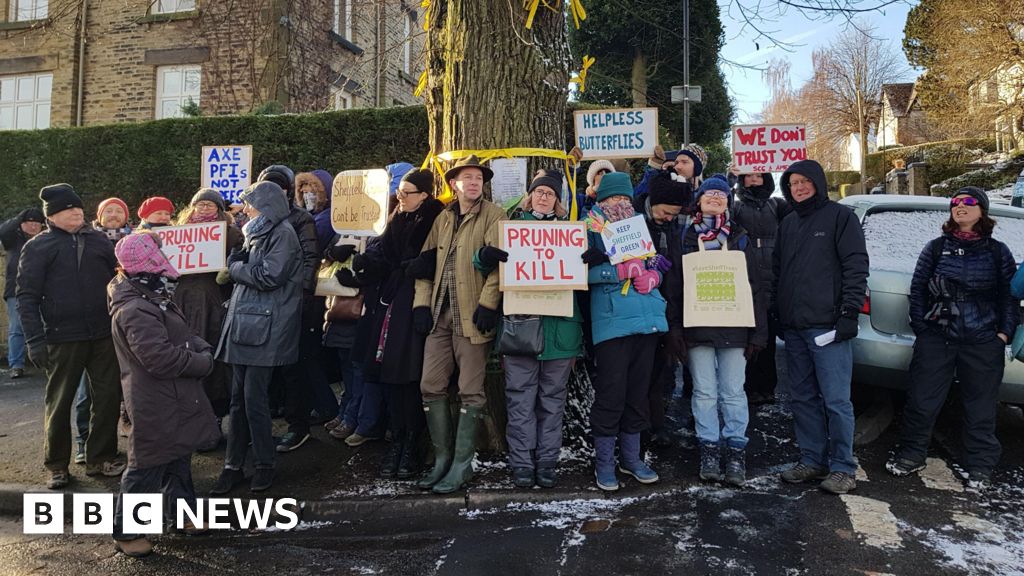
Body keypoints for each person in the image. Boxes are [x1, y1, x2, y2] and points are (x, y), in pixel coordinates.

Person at [886, 187, 1019, 489]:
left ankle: (980, 465)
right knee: (922, 401)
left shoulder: (998, 251)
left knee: (981, 407)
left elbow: (1008, 297)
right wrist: (923, 328)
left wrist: (1003, 335)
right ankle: (911, 453)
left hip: (983, 340)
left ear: (982, 211)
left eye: (969, 202)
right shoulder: (935, 248)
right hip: (938, 337)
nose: (960, 206)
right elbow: (918, 289)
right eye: (956, 202)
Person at [108, 232, 219, 558]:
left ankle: (183, 515)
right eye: (158, 252)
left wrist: (200, 347)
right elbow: (159, 358)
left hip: (170, 395)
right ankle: (127, 531)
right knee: (147, 464)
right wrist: (202, 362)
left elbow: (178, 335)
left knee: (178, 454)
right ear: (148, 260)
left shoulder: (151, 294)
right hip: (154, 398)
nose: (165, 257)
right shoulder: (136, 307)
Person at [477, 169, 584, 489]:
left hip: (560, 333)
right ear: (530, 195)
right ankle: (522, 462)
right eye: (539, 192)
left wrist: (588, 259)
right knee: (520, 400)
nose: (544, 197)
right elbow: (481, 263)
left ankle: (547, 461)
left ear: (558, 200)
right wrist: (485, 256)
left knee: (552, 401)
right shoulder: (511, 228)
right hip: (521, 329)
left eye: (550, 193)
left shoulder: (570, 233)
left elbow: (587, 273)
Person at [337, 168, 444, 478]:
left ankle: (411, 442)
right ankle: (397, 439)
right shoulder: (398, 219)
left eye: (407, 192)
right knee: (388, 374)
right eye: (400, 192)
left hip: (415, 303)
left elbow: (440, 257)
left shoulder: (435, 218)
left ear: (424, 195)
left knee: (408, 376)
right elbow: (384, 256)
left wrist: (422, 266)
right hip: (389, 302)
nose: (401, 197)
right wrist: (363, 267)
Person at [17, 184, 124, 488]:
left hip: (103, 333)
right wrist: (34, 340)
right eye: (68, 209)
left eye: (77, 207)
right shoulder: (38, 246)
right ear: (52, 216)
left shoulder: (100, 241)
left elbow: (119, 279)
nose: (76, 212)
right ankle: (56, 465)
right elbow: (26, 297)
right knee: (59, 402)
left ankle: (100, 458)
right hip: (61, 337)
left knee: (107, 398)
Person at [773, 159, 869, 495]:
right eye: (793, 183)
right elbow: (778, 271)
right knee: (802, 398)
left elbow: (856, 266)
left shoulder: (840, 217)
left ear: (818, 183)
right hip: (795, 328)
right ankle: (812, 459)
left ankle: (843, 467)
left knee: (836, 400)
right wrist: (777, 311)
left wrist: (849, 313)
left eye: (804, 181)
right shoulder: (788, 223)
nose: (799, 188)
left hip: (828, 327)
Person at [412, 155, 506, 494]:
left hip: (472, 315)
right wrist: (421, 304)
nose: (474, 182)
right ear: (454, 184)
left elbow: (500, 265)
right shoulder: (444, 217)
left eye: (478, 178)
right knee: (430, 384)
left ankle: (462, 464)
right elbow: (425, 265)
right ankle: (442, 458)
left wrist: (488, 303)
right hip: (440, 314)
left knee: (470, 389)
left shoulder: (495, 215)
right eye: (467, 177)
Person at [210, 181, 303, 494]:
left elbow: (269, 276)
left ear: (265, 205)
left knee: (253, 400)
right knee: (239, 400)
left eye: (250, 203)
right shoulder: (257, 231)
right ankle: (233, 465)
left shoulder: (282, 233)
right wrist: (240, 261)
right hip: (249, 324)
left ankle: (264, 463)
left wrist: (235, 267)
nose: (245, 209)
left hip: (266, 326)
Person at [582, 171, 667, 491]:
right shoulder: (589, 227)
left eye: (624, 197)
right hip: (613, 322)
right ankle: (604, 462)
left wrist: (655, 276)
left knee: (638, 394)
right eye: (613, 197)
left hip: (646, 320)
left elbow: (657, 261)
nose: (619, 203)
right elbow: (577, 271)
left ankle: (631, 458)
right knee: (611, 394)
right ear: (601, 198)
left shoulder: (638, 225)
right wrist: (613, 271)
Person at [681, 175, 768, 487]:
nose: (715, 198)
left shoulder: (740, 237)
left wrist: (758, 332)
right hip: (698, 326)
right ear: (699, 200)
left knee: (733, 392)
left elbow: (755, 286)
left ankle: (735, 451)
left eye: (721, 195)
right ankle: (708, 448)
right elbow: (677, 286)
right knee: (704, 392)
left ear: (728, 202)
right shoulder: (686, 237)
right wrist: (676, 330)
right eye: (710, 194)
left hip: (734, 326)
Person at [257, 165, 333, 450]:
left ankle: (297, 426)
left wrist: (298, 298)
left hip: (290, 303)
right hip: (261, 303)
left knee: (294, 367)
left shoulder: (301, 219)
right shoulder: (256, 220)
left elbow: (309, 260)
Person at [172, 189, 244, 434]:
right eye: (200, 204)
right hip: (182, 299)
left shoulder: (231, 233)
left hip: (213, 300)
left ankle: (214, 413)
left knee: (212, 353)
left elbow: (237, 261)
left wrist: (227, 271)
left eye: (209, 205)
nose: (204, 208)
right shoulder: (178, 233)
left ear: (219, 209)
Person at [634, 171, 690, 448]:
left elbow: (677, 275)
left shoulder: (673, 228)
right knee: (640, 375)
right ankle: (639, 428)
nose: (669, 218)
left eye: (674, 214)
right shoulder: (634, 223)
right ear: (653, 203)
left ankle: (657, 424)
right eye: (666, 212)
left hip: (667, 308)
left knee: (661, 374)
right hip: (639, 308)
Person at [731, 170, 789, 405]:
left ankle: (767, 387)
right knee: (747, 338)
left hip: (773, 279)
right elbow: (720, 210)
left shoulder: (777, 205)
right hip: (745, 279)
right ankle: (748, 387)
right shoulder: (736, 207)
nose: (754, 179)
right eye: (749, 176)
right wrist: (729, 179)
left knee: (768, 338)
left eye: (759, 175)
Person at [2, 208, 45, 380]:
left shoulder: (46, 239)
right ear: (21, 224)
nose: (33, 226)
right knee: (16, 328)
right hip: (15, 289)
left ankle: (47, 362)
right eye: (29, 222)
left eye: (37, 223)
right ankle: (16, 365)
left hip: (43, 290)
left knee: (47, 325)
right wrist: (19, 217)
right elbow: (3, 231)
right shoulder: (13, 239)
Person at [634, 143, 706, 200]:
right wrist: (654, 171)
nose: (677, 167)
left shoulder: (706, 193)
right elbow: (639, 198)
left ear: (697, 168)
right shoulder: (665, 187)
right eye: (676, 163)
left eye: (684, 162)